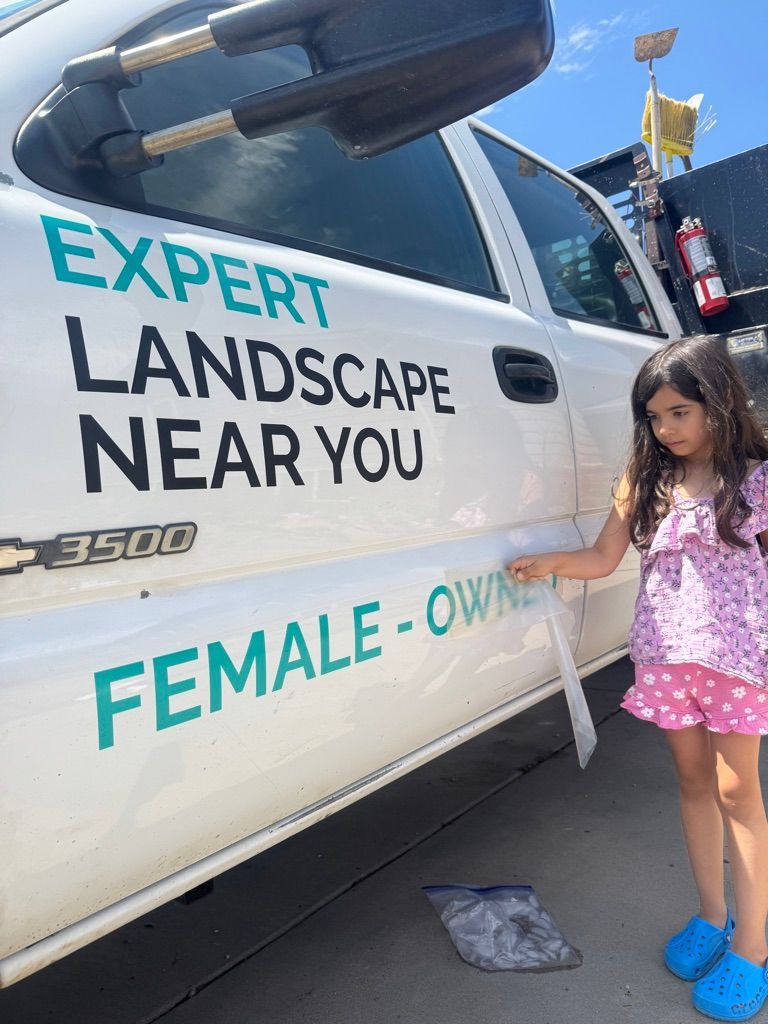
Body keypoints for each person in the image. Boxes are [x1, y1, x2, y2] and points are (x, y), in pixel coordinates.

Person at [508, 335, 768, 1022]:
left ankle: (753, 944)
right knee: (691, 783)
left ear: (718, 401)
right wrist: (547, 562)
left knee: (740, 794)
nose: (666, 428)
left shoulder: (757, 477)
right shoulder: (644, 477)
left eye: (681, 411)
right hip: (665, 655)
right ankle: (711, 916)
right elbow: (602, 557)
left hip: (738, 661)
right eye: (654, 416)